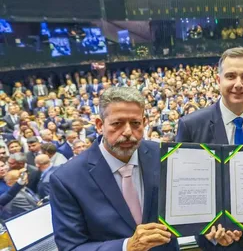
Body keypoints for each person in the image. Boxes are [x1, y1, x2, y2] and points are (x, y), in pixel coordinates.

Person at [50, 87, 179, 251]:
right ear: (99, 125)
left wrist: (209, 230)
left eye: (135, 123)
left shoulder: (165, 155)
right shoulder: (67, 179)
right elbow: (71, 247)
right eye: (117, 124)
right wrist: (126, 247)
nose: (127, 132)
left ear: (145, 123)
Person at [176, 47, 243, 251]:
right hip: (215, 242)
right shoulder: (191, 125)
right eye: (231, 76)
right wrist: (208, 231)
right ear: (218, 80)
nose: (238, 84)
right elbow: (183, 191)